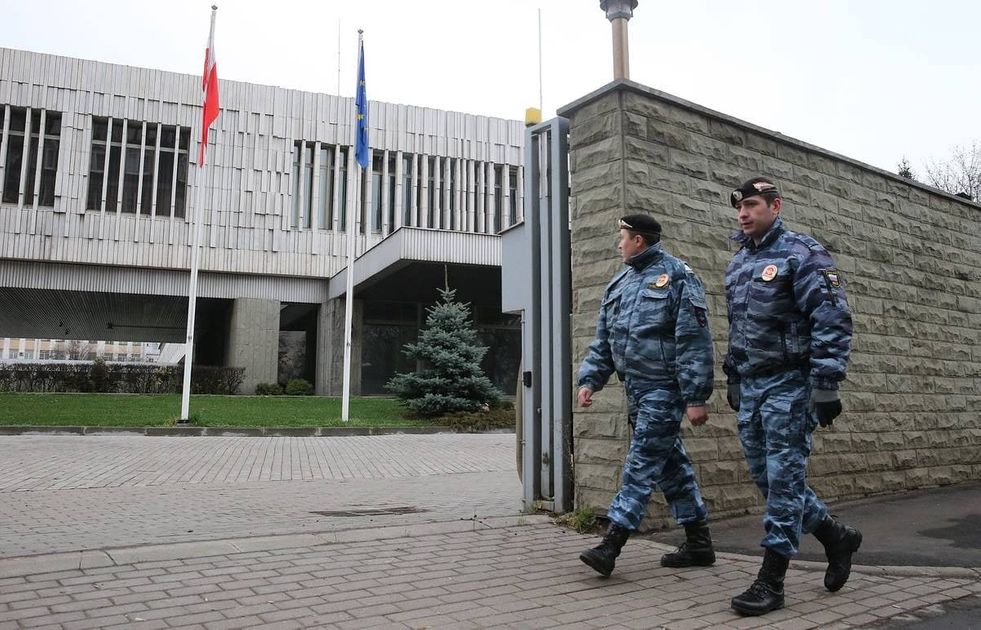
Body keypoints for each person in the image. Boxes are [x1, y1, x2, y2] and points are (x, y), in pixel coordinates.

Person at [723, 177, 863, 616]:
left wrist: (826, 382)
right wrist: (732, 373)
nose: (743, 213)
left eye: (751, 205)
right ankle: (836, 537)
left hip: (791, 384)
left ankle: (772, 580)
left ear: (775, 205)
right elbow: (739, 325)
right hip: (753, 386)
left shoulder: (803, 254)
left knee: (783, 480)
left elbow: (832, 316)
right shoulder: (739, 261)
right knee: (769, 479)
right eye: (739, 207)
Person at [577, 213, 715, 577]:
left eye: (622, 236)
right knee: (671, 468)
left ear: (638, 239)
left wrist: (695, 397)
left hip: (664, 392)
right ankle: (699, 543)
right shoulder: (619, 283)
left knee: (639, 466)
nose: (618, 243)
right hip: (636, 392)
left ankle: (612, 544)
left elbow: (693, 340)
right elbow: (605, 340)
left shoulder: (678, 277)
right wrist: (590, 379)